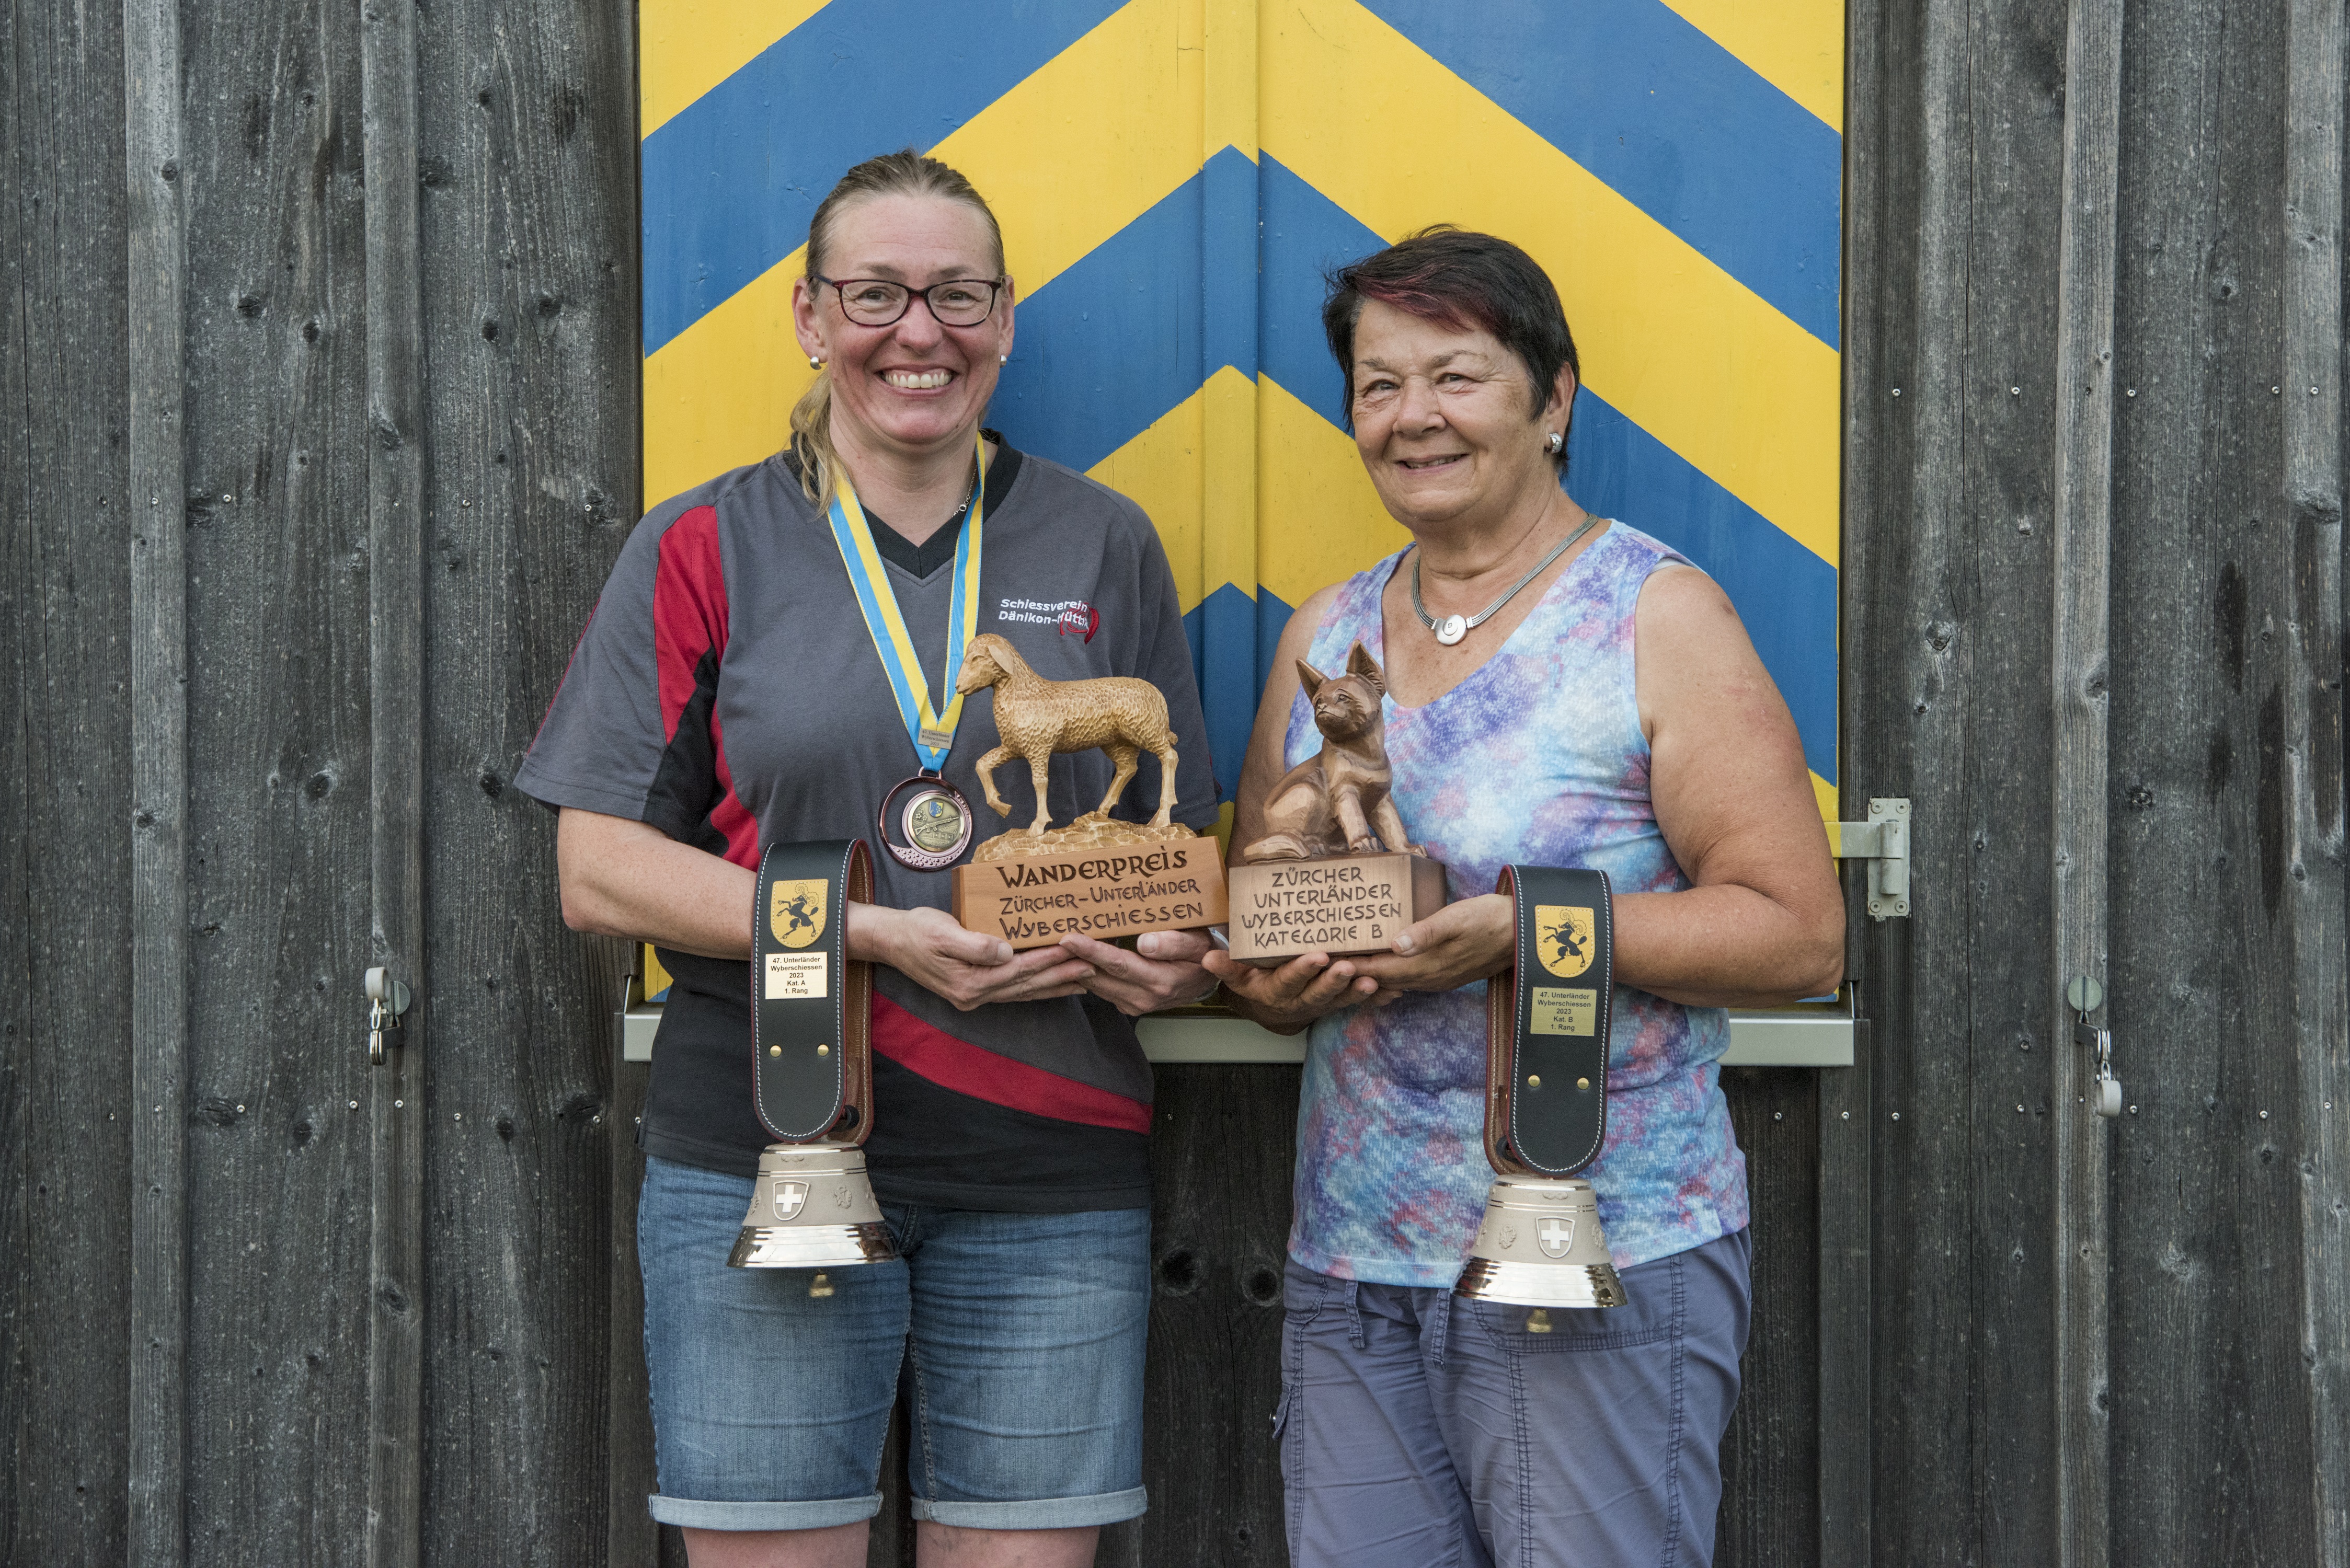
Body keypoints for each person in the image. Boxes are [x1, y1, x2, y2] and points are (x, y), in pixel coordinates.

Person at [517, 150, 1220, 1568]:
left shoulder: (1105, 540)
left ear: (1007, 319)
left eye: (958, 295)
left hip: (1052, 1164)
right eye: (878, 293)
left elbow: (1177, 857)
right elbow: (596, 869)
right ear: (809, 317)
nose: (921, 332)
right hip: (766, 1148)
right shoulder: (702, 543)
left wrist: (1170, 964)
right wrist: (872, 935)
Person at [1202, 227, 1844, 1568]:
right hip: (1358, 1255)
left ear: (1553, 400)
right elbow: (1263, 937)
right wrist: (1269, 980)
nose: (1410, 417)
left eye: (1457, 376)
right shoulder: (1325, 634)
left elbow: (1795, 933)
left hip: (1594, 1253)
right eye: (1377, 386)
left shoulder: (1652, 615)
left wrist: (1520, 941)